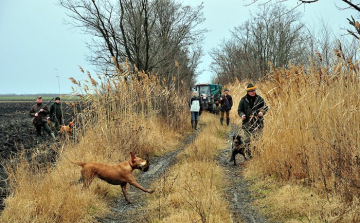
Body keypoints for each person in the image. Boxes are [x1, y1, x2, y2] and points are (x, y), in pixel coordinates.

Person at [237, 83, 268, 156]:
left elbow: (265, 107)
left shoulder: (259, 99)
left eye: (254, 90)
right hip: (247, 123)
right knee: (247, 140)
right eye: (251, 91)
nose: (253, 92)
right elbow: (239, 110)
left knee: (258, 140)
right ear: (248, 92)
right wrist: (242, 115)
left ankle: (258, 154)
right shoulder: (243, 100)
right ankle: (248, 154)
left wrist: (262, 112)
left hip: (258, 123)